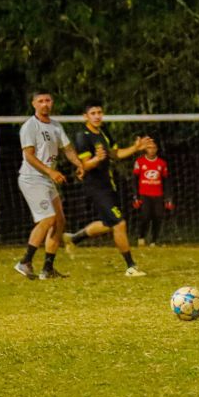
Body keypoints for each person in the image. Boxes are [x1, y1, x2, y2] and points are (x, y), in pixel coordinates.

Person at [62, 100, 152, 277]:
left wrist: (135, 148)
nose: (97, 116)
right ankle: (131, 266)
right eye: (93, 113)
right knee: (120, 223)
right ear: (85, 116)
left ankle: (73, 238)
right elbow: (84, 166)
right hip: (95, 187)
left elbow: (115, 154)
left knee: (108, 223)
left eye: (99, 112)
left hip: (107, 184)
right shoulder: (83, 136)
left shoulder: (103, 132)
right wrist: (96, 159)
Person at [14, 90, 84, 280]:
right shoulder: (30, 126)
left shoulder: (55, 126)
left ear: (52, 103)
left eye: (48, 100)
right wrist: (51, 171)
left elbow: (67, 148)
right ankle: (25, 262)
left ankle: (47, 269)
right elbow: (29, 155)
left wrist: (79, 164)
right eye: (40, 101)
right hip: (32, 178)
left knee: (59, 220)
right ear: (34, 104)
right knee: (47, 220)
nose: (45, 104)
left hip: (46, 179)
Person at [132, 142, 174, 247]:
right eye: (149, 148)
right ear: (146, 149)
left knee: (158, 217)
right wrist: (135, 195)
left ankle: (154, 241)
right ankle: (141, 237)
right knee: (145, 216)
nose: (152, 150)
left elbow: (166, 180)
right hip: (144, 194)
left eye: (154, 147)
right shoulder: (140, 162)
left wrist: (168, 197)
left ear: (157, 149)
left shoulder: (162, 163)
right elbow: (134, 179)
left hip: (158, 195)